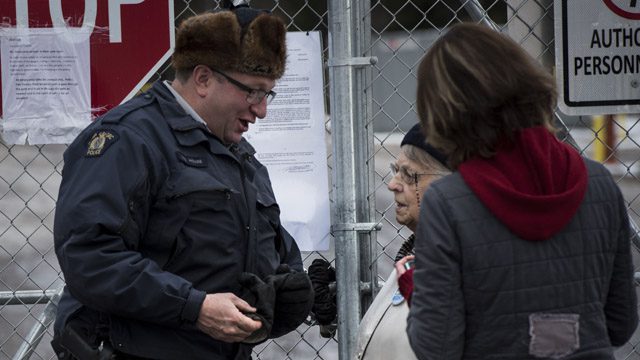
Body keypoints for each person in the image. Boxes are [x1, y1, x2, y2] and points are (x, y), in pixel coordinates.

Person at [51, 4, 314, 360]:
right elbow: (89, 256)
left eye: (267, 93)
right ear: (204, 79)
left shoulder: (238, 155)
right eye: (252, 91)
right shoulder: (130, 140)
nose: (261, 109)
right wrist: (195, 307)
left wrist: (289, 287)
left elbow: (255, 246)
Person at [406, 22, 638, 359]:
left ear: (444, 112)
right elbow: (620, 323)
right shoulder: (599, 183)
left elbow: (437, 347)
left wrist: (416, 290)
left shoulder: (448, 203)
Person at [354, 123, 450, 360]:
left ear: (451, 184)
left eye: (408, 175)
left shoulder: (459, 266)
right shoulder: (414, 255)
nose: (393, 184)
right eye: (395, 170)